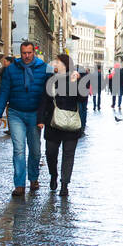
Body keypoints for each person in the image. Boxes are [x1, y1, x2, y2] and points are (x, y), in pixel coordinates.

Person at [0, 40, 50, 197]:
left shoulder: (44, 68)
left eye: (29, 53)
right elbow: (4, 92)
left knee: (35, 150)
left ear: (34, 52)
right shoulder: (11, 70)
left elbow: (52, 89)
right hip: (15, 113)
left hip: (34, 114)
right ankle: (19, 184)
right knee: (19, 149)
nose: (26, 56)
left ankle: (33, 178)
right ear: (21, 53)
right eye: (24, 53)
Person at [39, 53, 85, 197]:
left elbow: (82, 99)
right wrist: (40, 119)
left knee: (68, 155)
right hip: (52, 123)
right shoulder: (50, 80)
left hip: (71, 123)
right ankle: (53, 174)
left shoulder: (75, 80)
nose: (54, 64)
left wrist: (77, 81)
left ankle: (65, 184)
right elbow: (44, 101)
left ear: (64, 65)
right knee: (50, 153)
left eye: (57, 62)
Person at [75, 65, 90, 132]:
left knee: (80, 112)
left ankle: (80, 127)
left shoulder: (77, 78)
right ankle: (83, 126)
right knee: (84, 111)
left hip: (78, 97)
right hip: (85, 97)